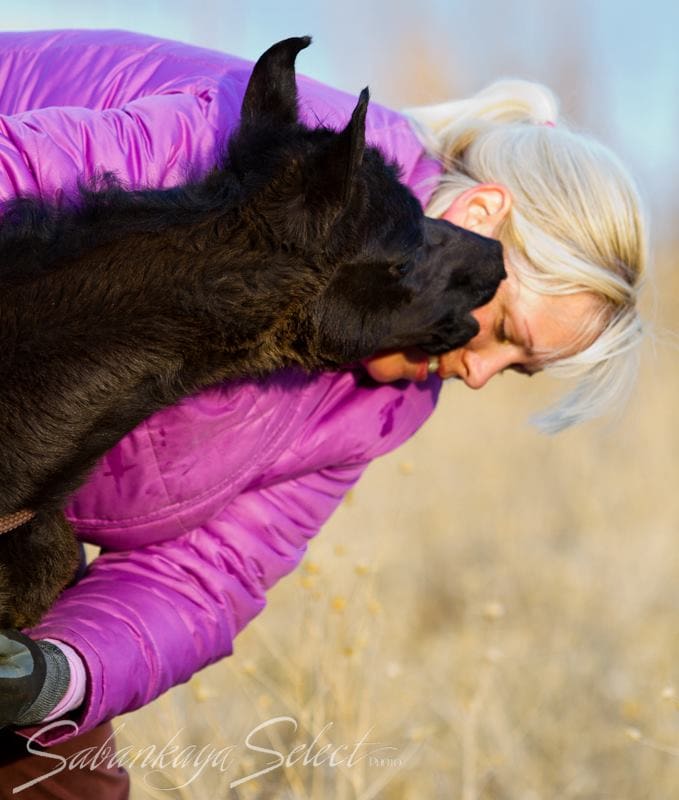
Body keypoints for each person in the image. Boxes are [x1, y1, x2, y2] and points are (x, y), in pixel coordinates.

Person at [0, 29, 645, 798]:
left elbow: (210, 572)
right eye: (505, 332)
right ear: (478, 213)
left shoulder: (385, 399)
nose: (480, 374)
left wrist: (56, 675)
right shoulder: (279, 151)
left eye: (517, 371)